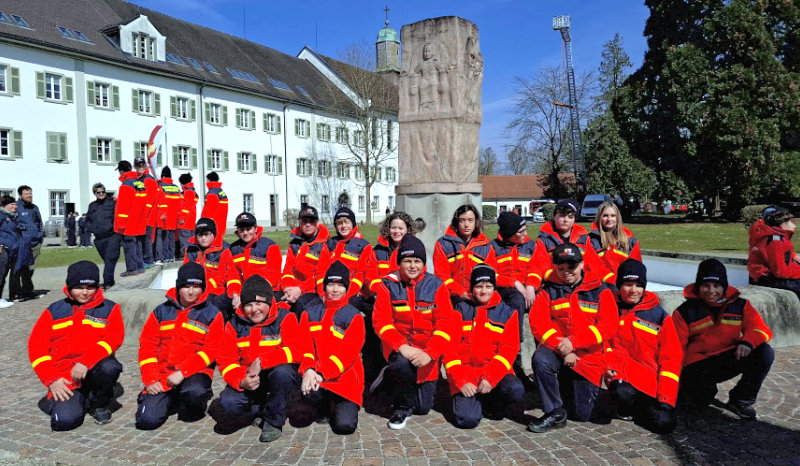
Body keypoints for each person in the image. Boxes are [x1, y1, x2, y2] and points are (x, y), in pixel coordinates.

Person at [528, 243, 618, 433]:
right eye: (560, 268)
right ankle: (554, 412)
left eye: (572, 267)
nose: (566, 272)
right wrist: (562, 347)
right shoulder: (548, 290)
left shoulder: (601, 290)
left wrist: (574, 343)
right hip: (558, 350)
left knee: (582, 414)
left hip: (587, 358)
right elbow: (538, 324)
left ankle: (566, 387)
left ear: (582, 264)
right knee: (541, 359)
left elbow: (608, 326)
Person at [372, 234, 457, 430]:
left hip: (427, 352)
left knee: (422, 408)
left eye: (417, 261)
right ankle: (401, 407)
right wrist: (402, 347)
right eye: (407, 261)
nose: (412, 266)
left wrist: (430, 353)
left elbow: (445, 324)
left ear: (423, 263)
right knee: (402, 367)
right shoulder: (388, 285)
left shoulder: (436, 285)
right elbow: (381, 322)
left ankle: (393, 383)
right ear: (399, 263)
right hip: (400, 349)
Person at [27, 261, 124, 430]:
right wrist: (52, 379)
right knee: (64, 421)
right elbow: (37, 347)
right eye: (79, 287)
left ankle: (99, 403)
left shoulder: (110, 309)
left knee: (110, 366)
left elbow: (114, 338)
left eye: (90, 287)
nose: (85, 292)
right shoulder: (54, 310)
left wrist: (86, 361)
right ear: (69, 287)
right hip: (65, 376)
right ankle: (79, 398)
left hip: (94, 369)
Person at [672, 259, 774, 420]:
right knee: (694, 408)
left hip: (727, 357)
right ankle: (699, 391)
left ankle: (741, 400)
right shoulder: (684, 312)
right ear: (698, 286)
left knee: (764, 352)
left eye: (716, 286)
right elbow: (675, 349)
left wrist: (747, 342)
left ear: (724, 287)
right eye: (706, 285)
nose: (711, 291)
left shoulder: (740, 305)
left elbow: (761, 329)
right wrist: (674, 384)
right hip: (696, 367)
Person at [216, 275, 309, 443]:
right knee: (228, 405)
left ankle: (274, 421)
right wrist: (242, 381)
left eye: (259, 303)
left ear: (268, 302)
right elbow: (226, 360)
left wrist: (262, 361)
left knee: (283, 373)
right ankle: (261, 409)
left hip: (277, 377)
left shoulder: (285, 318)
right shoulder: (233, 324)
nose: (254, 309)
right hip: (249, 378)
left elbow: (298, 350)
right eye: (249, 305)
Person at [135, 262, 225, 430]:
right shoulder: (161, 312)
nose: (191, 292)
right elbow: (147, 347)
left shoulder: (213, 314)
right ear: (178, 287)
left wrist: (183, 372)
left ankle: (189, 398)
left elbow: (211, 351)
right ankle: (170, 399)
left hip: (194, 373)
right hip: (163, 375)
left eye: (196, 286)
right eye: (186, 286)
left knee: (194, 398)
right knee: (146, 421)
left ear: (203, 288)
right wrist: (151, 379)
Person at [605, 259, 682, 434]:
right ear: (619, 285)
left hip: (651, 381)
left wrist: (665, 399)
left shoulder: (659, 316)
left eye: (639, 285)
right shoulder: (609, 307)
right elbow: (606, 344)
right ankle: (628, 406)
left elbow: (672, 358)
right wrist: (611, 367)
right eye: (628, 284)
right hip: (623, 375)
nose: (633, 290)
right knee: (621, 393)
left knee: (664, 424)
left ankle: (642, 407)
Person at [443, 264, 524, 428]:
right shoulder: (460, 309)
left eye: (489, 286)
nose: (484, 291)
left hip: (491, 372)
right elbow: (449, 350)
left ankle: (491, 405)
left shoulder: (508, 313)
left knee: (515, 390)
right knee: (466, 420)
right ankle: (473, 401)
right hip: (466, 375)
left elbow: (508, 350)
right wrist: (462, 381)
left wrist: (490, 378)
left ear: (494, 288)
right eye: (479, 286)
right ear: (472, 288)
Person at [297, 261, 365, 435]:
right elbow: (304, 346)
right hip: (318, 377)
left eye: (340, 285)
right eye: (331, 284)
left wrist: (322, 374)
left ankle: (340, 405)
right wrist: (309, 369)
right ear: (324, 287)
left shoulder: (354, 316)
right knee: (302, 413)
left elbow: (347, 356)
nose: (335, 290)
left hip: (344, 381)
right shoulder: (309, 312)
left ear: (347, 288)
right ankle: (324, 404)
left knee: (345, 426)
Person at [433, 204, 496, 304]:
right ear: (456, 222)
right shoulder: (443, 244)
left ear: (476, 222)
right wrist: (462, 293)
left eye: (470, 220)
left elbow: (490, 276)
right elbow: (442, 277)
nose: (466, 225)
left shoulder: (486, 246)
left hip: (478, 295)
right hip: (451, 296)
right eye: (462, 220)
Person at [490, 211, 536, 339]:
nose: (525, 234)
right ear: (510, 234)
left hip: (529, 289)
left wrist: (531, 286)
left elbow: (536, 268)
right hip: (506, 290)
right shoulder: (493, 247)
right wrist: (514, 283)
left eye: (526, 230)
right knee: (517, 300)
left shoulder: (530, 246)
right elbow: (492, 275)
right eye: (521, 232)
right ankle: (515, 346)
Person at [527, 199, 590, 291]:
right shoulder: (544, 240)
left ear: (574, 219)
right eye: (562, 216)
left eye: (570, 217)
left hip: (580, 283)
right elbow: (537, 266)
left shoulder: (584, 238)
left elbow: (593, 263)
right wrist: (531, 286)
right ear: (554, 216)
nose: (565, 220)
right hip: (553, 285)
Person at [227, 212, 283, 311]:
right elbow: (233, 275)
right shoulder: (233, 249)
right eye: (241, 230)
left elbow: (274, 276)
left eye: (248, 229)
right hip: (243, 293)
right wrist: (235, 294)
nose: (245, 233)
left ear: (256, 228)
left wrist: (252, 294)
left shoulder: (270, 246)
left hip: (268, 291)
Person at [184, 217, 236, 319]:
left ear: (214, 234)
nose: (203, 238)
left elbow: (222, 277)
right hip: (195, 289)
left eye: (206, 234)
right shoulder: (191, 250)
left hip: (216, 291)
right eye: (200, 235)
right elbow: (185, 272)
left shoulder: (224, 250)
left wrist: (203, 287)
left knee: (212, 306)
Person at [280, 206, 330, 308]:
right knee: (276, 303)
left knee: (300, 306)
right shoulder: (294, 244)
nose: (308, 224)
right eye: (304, 221)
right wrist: (288, 288)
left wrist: (300, 289)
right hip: (292, 288)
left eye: (311, 221)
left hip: (313, 289)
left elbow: (322, 275)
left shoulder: (325, 245)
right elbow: (288, 271)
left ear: (317, 223)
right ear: (299, 223)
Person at [325, 206, 378, 301]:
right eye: (340, 223)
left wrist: (348, 295)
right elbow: (323, 269)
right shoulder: (330, 243)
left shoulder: (363, 246)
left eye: (347, 222)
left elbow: (361, 274)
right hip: (332, 291)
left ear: (353, 224)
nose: (343, 226)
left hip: (354, 293)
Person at [747, 205, 800, 297]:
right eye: (790, 222)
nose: (794, 225)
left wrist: (793, 256)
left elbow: (779, 256)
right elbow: (780, 272)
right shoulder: (776, 241)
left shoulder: (771, 235)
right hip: (769, 280)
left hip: (764, 277)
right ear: (782, 224)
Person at [588, 202, 641, 286]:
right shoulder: (591, 240)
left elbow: (636, 267)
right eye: (605, 216)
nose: (609, 219)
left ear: (617, 218)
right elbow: (593, 267)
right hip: (601, 287)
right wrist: (612, 280)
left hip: (624, 286)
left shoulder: (630, 240)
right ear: (599, 218)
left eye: (613, 216)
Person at [114, 160, 146, 276]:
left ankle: (132, 269)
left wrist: (121, 223)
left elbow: (124, 206)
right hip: (139, 219)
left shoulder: (126, 184)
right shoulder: (139, 183)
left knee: (129, 245)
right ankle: (140, 267)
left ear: (121, 171)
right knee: (137, 244)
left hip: (129, 221)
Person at [86, 183, 120, 290]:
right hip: (99, 239)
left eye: (103, 191)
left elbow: (119, 216)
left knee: (110, 259)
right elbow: (88, 220)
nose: (101, 194)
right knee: (107, 260)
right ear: (95, 194)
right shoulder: (92, 206)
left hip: (112, 236)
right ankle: (110, 281)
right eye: (98, 192)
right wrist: (91, 229)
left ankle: (108, 283)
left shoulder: (113, 203)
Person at [372, 210, 417, 288]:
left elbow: (419, 276)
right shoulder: (377, 251)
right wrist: (381, 289)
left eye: (401, 228)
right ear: (388, 229)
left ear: (408, 230)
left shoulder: (416, 250)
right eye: (393, 228)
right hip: (381, 294)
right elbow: (371, 275)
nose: (396, 231)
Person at [15, 185, 44, 299]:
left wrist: (40, 235)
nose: (29, 196)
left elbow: (39, 222)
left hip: (35, 242)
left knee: (31, 268)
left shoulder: (34, 207)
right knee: (20, 268)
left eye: (30, 193)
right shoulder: (17, 207)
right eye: (26, 194)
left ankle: (27, 290)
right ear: (20, 195)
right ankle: (18, 292)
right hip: (22, 243)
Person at [136, 157, 160, 269]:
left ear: (145, 166)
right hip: (142, 215)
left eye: (142, 165)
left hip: (147, 216)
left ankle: (148, 260)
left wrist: (144, 214)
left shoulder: (148, 179)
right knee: (142, 238)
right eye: (138, 165)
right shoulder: (139, 179)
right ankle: (145, 260)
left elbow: (150, 199)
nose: (140, 167)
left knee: (146, 238)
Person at [155, 166, 181, 264]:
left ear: (162, 175)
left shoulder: (160, 186)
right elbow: (179, 203)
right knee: (172, 238)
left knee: (163, 238)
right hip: (174, 217)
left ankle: (165, 256)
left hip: (164, 216)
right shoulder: (176, 187)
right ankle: (171, 256)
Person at [0, 196, 20, 308]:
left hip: (10, 249)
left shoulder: (12, 217)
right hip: (2, 248)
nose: (14, 206)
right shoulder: (1, 216)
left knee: (3, 274)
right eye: (11, 204)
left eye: (15, 204)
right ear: (5, 205)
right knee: (0, 273)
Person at [200, 172, 228, 248]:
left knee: (213, 245)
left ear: (209, 180)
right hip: (221, 222)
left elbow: (210, 211)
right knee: (219, 243)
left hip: (213, 224)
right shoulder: (221, 192)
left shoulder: (212, 194)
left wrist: (206, 223)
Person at [177, 173, 198, 259]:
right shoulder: (192, 191)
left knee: (184, 239)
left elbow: (186, 207)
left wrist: (181, 218)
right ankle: (191, 255)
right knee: (190, 239)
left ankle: (185, 256)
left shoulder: (188, 192)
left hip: (185, 221)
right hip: (191, 220)